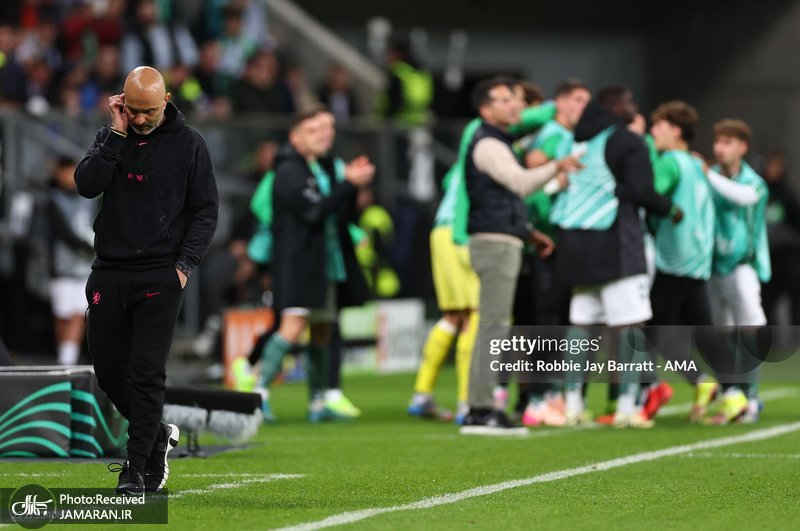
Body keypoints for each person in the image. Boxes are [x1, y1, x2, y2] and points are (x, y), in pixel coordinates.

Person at [75, 66, 219, 494]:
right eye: (132, 110)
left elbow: (205, 210)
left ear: (166, 101)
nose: (139, 118)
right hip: (110, 269)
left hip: (161, 272)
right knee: (107, 372)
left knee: (147, 372)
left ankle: (135, 468)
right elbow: (86, 185)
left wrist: (184, 265)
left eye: (148, 111)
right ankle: (157, 435)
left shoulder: (190, 145)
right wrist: (116, 135)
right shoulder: (110, 137)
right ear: (121, 103)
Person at [551, 89, 679, 428]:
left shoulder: (573, 142)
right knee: (631, 325)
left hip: (574, 244)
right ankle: (626, 406)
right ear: (615, 107)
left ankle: (573, 405)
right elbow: (642, 190)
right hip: (615, 242)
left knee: (582, 323)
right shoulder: (627, 141)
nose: (634, 109)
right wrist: (670, 209)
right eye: (629, 102)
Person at [460, 77, 581, 435]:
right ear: (485, 110)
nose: (514, 105)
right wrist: (557, 166)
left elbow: (505, 196)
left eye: (514, 99)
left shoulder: (497, 141)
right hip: (494, 244)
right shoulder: (488, 143)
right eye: (504, 100)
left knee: (496, 325)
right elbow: (521, 183)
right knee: (494, 327)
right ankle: (481, 410)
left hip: (504, 239)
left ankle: (481, 408)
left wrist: (527, 232)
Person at [257, 107, 374, 422]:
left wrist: (352, 185)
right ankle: (258, 394)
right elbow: (315, 211)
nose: (323, 135)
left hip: (326, 260)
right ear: (295, 137)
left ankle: (318, 402)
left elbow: (340, 212)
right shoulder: (288, 170)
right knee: (293, 326)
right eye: (314, 130)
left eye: (327, 128)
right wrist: (348, 184)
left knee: (323, 329)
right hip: (298, 260)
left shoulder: (323, 166)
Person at [517, 78, 591, 427]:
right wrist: (552, 186)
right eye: (576, 99)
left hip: (559, 241)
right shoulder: (552, 133)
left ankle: (550, 395)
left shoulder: (567, 136)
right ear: (559, 102)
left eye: (585, 101)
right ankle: (538, 398)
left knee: (556, 319)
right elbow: (532, 172)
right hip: (545, 239)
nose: (581, 107)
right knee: (545, 320)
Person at [706, 119, 771, 423]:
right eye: (718, 141)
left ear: (742, 147)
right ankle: (733, 396)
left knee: (749, 327)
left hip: (743, 266)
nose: (720, 148)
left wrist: (705, 174)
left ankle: (752, 396)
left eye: (727, 142)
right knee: (721, 333)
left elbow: (743, 197)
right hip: (712, 266)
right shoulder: (711, 175)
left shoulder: (753, 182)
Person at [47, 156, 97, 366]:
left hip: (84, 269)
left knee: (79, 313)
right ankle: (64, 356)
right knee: (63, 316)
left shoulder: (90, 199)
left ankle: (67, 361)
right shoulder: (53, 200)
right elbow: (63, 233)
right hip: (62, 268)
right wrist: (89, 247)